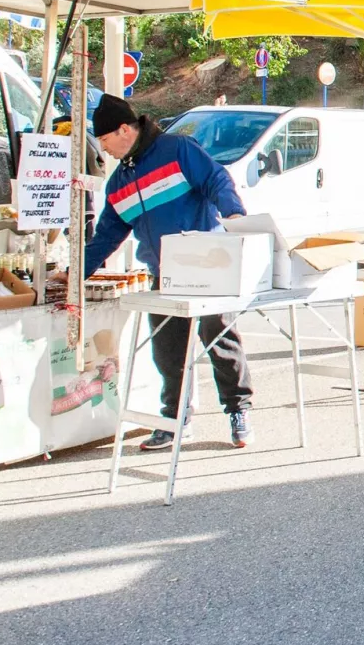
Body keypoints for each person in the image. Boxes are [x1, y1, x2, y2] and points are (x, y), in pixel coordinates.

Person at [83, 95, 255, 451]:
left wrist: (234, 214)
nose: (103, 151)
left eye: (104, 142)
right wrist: (76, 274)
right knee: (167, 352)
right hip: (164, 273)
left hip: (209, 264)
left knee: (219, 339)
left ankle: (239, 410)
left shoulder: (177, 150)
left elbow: (216, 181)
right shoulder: (118, 184)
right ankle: (173, 420)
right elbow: (107, 236)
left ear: (124, 130)